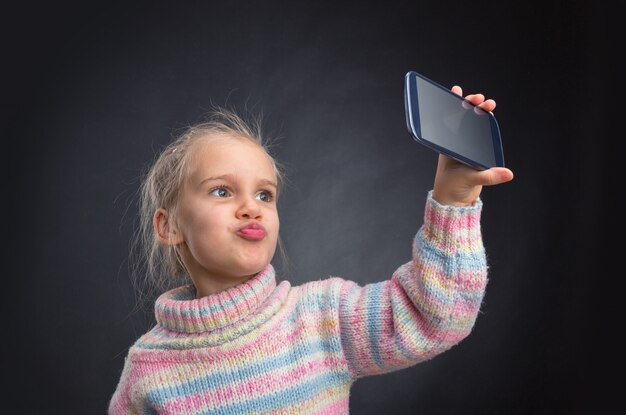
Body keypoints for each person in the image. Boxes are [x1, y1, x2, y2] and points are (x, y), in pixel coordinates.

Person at [108, 85, 514, 414]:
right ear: (170, 225)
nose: (251, 207)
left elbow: (434, 317)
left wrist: (454, 199)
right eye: (221, 191)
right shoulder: (147, 370)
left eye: (265, 195)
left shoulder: (322, 319)